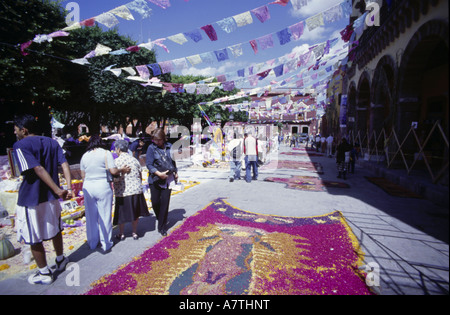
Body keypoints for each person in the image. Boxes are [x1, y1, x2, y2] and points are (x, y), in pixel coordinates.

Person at [13, 114, 73, 285]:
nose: (15, 133)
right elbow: (65, 164)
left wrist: (57, 189)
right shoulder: (52, 142)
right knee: (55, 229)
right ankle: (61, 259)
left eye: (16, 130)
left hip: (31, 198)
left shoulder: (20, 145)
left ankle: (44, 273)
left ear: (24, 130)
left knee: (34, 236)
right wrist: (66, 189)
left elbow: (37, 168)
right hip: (52, 197)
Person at [80, 135, 130, 252]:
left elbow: (83, 176)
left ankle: (92, 242)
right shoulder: (106, 153)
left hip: (88, 186)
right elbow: (113, 171)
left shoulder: (84, 156)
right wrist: (122, 169)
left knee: (91, 216)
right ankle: (106, 243)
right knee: (105, 215)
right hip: (102, 186)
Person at [113, 140, 150, 241]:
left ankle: (121, 233)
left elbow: (115, 177)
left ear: (118, 149)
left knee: (121, 214)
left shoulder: (116, 161)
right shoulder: (134, 160)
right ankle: (134, 232)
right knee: (135, 212)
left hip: (123, 191)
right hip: (136, 190)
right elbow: (140, 173)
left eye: (116, 149)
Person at [146, 128, 178, 236]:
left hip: (168, 177)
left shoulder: (169, 146)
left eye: (158, 140)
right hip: (155, 178)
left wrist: (175, 171)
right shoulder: (151, 148)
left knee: (165, 203)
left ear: (163, 138)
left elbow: (173, 160)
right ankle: (161, 218)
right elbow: (149, 164)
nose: (156, 142)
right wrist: (158, 173)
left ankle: (162, 226)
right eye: (154, 140)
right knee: (155, 202)